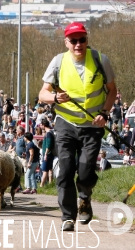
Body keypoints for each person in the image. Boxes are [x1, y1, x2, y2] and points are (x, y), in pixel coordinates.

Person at [38, 22, 117, 232]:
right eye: (73, 41)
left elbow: (112, 90)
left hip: (92, 125)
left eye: (82, 39)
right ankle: (67, 217)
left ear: (87, 40)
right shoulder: (58, 62)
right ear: (66, 42)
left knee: (85, 169)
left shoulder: (101, 60)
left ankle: (85, 197)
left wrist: (105, 114)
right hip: (66, 124)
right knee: (64, 170)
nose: (78, 44)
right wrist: (55, 97)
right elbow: (42, 94)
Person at [40, 118, 55, 187]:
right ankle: (50, 183)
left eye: (41, 125)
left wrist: (45, 154)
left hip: (47, 154)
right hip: (50, 154)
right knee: (50, 169)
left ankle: (41, 185)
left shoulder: (48, 133)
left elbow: (48, 145)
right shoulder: (50, 132)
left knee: (45, 170)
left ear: (43, 125)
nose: (40, 126)